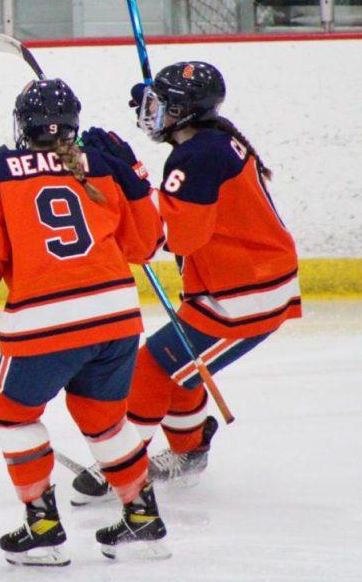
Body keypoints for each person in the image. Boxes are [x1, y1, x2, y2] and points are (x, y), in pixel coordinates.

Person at [0, 78, 170, 565]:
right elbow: (147, 246)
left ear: (21, 126)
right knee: (104, 419)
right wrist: (133, 169)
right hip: (117, 318)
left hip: (44, 323)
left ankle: (44, 528)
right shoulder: (108, 166)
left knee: (15, 414)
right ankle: (143, 520)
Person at [71, 61, 302, 503]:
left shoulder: (196, 156)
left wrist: (131, 177)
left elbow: (177, 235)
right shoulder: (209, 142)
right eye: (151, 102)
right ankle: (189, 452)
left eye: (162, 106)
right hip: (234, 285)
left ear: (187, 115)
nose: (150, 112)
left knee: (150, 369)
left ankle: (121, 463)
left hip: (244, 298)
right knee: (181, 372)